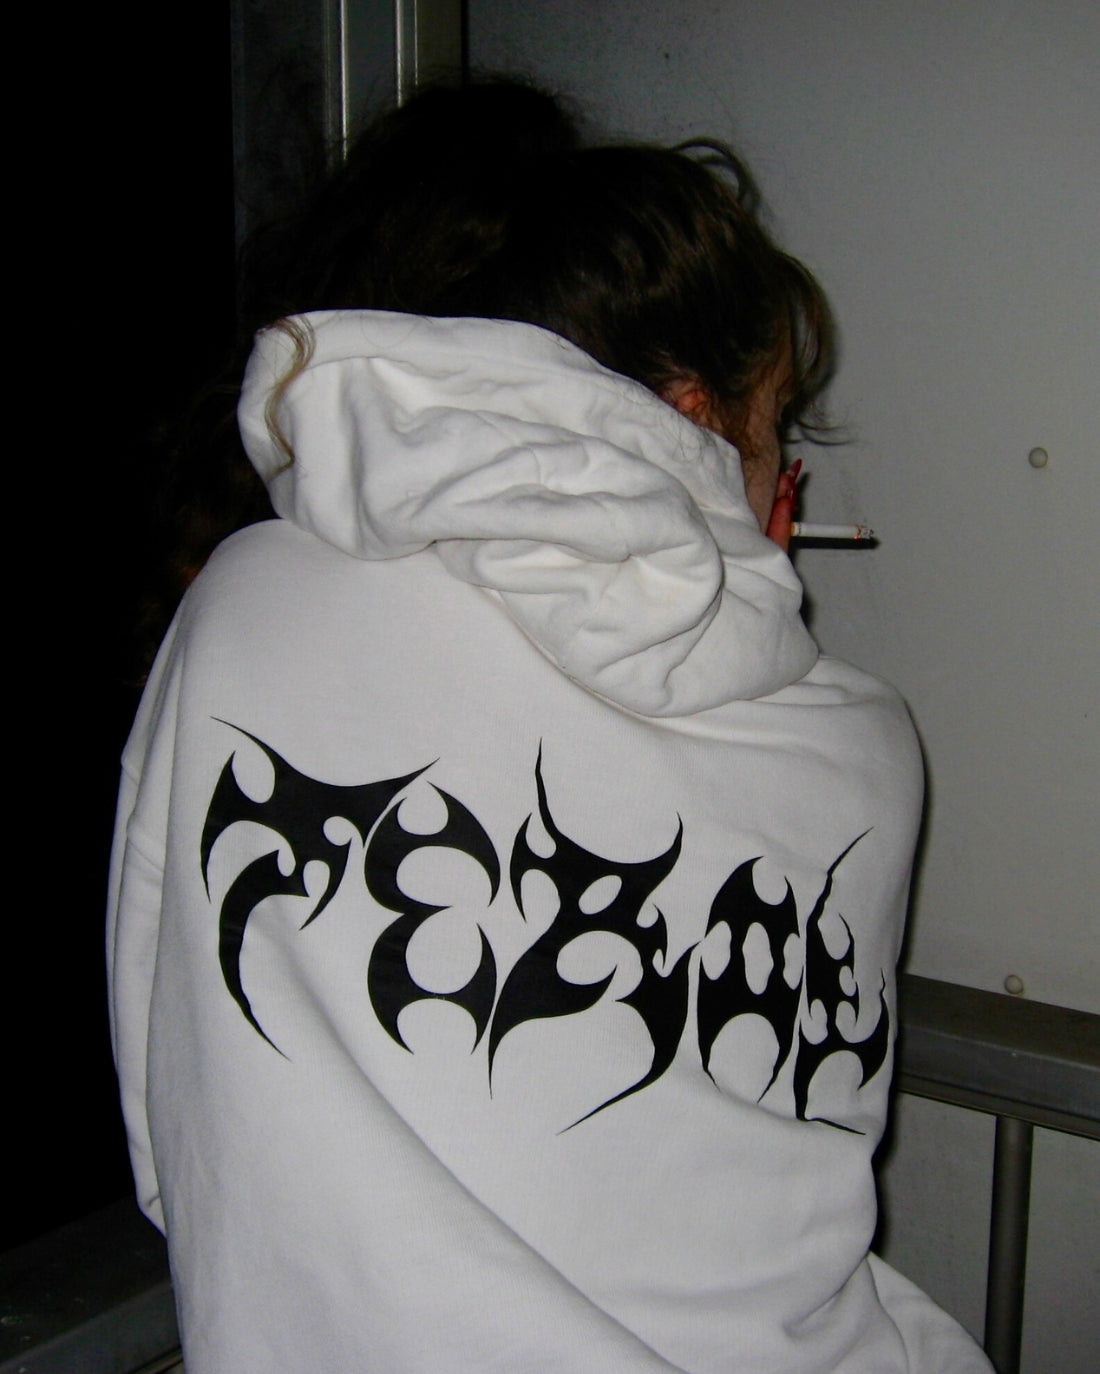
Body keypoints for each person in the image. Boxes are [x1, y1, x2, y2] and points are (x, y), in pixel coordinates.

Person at [108, 80, 992, 1372]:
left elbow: (168, 1124)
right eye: (778, 440)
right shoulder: (864, 744)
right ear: (692, 417)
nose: (786, 497)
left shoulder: (254, 607)